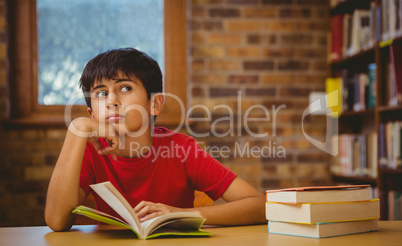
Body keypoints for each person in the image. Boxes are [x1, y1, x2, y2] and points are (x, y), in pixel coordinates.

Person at [45, 48, 266, 232]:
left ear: (155, 104)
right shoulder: (90, 151)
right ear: (92, 114)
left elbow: (260, 206)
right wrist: (77, 129)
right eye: (101, 93)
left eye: (125, 88)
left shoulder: (181, 149)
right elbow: (56, 221)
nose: (112, 100)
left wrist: (178, 214)